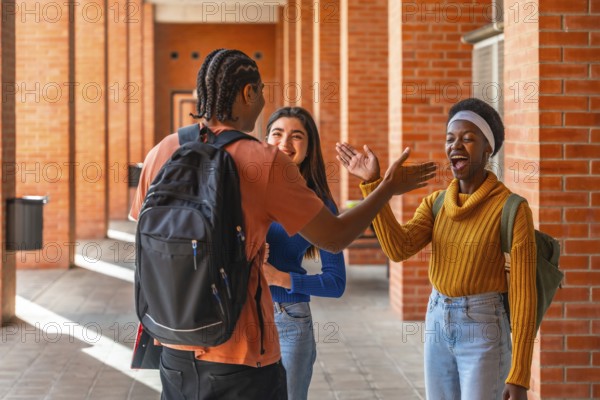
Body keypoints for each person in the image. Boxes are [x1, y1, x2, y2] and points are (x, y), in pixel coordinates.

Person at [130, 48, 436, 400]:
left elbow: (147, 237)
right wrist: (387, 189)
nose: (262, 102)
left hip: (172, 345)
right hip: (242, 356)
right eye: (260, 92)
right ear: (248, 93)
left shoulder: (163, 151)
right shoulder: (264, 161)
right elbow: (334, 238)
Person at [336, 98, 537, 400]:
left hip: (484, 330)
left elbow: (524, 297)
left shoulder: (512, 209)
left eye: (468, 139)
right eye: (450, 138)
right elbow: (398, 248)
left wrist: (519, 374)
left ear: (488, 149)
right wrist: (375, 184)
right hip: (437, 322)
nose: (456, 146)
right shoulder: (436, 203)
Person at [262, 107, 346, 400]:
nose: (285, 142)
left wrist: (280, 278)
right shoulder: (244, 190)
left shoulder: (318, 205)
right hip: (242, 313)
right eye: (277, 133)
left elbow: (336, 283)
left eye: (296, 136)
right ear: (265, 141)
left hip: (289, 320)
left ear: (308, 149)